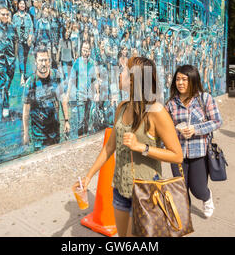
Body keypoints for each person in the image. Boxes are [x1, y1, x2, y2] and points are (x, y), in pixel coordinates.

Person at [73, 57, 183, 237]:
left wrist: (142, 147)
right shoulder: (122, 108)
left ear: (134, 79)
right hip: (120, 190)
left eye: (123, 70)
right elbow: (109, 148)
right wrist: (88, 177)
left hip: (145, 192)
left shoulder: (156, 112)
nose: (119, 73)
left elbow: (177, 155)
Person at [166, 65, 223, 218]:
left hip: (199, 152)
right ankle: (184, 216)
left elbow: (217, 121)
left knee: (199, 189)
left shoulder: (205, 99)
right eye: (177, 79)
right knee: (181, 189)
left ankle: (207, 198)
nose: (180, 83)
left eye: (184, 79)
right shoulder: (171, 103)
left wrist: (195, 129)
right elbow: (165, 128)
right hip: (177, 153)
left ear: (193, 80)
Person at [22, 47, 70, 150]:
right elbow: (26, 111)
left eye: (46, 60)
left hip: (54, 131)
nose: (43, 64)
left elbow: (63, 99)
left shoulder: (56, 76)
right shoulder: (31, 82)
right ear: (36, 62)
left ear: (49, 61)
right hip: (39, 135)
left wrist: (66, 120)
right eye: (40, 60)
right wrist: (26, 133)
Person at [0, 6, 18, 118]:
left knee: (9, 81)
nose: (5, 16)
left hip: (11, 59)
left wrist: (14, 56)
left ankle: (4, 92)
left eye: (7, 14)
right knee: (4, 82)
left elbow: (16, 41)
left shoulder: (13, 27)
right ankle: (6, 106)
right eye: (3, 14)